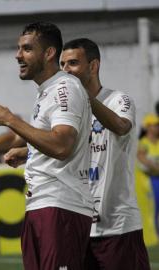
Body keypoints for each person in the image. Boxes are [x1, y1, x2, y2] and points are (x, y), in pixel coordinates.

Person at [0, 22, 93, 270]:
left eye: (27, 49)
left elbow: (62, 146)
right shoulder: (46, 92)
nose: (18, 55)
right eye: (19, 48)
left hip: (61, 204)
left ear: (49, 53)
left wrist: (10, 118)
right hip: (41, 203)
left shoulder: (64, 88)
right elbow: (20, 138)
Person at [60, 38, 150, 270]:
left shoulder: (119, 100)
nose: (65, 71)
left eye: (72, 63)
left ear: (93, 66)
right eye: (62, 65)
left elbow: (121, 126)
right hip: (79, 227)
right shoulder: (66, 112)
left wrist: (84, 98)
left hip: (118, 227)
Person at [137, 114, 159, 235]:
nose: (157, 127)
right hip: (151, 182)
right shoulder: (144, 143)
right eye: (155, 125)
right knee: (153, 209)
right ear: (148, 127)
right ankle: (153, 234)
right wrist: (155, 167)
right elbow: (141, 158)